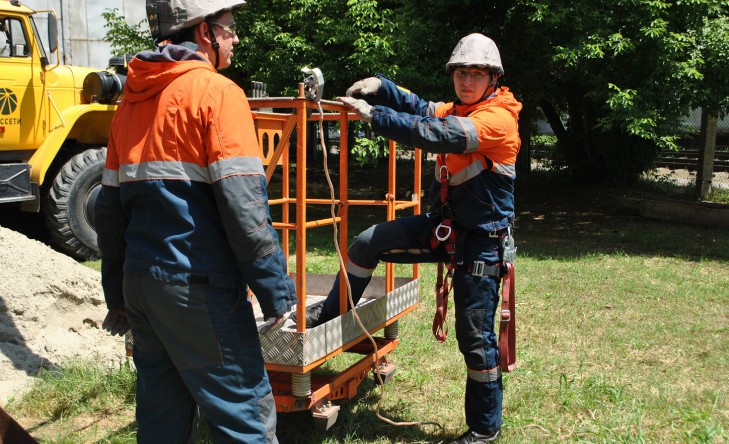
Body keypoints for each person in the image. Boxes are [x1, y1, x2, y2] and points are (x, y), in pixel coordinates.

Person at [94, 1, 296, 442]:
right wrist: (276, 294)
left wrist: (118, 296)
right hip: (196, 287)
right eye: (230, 28)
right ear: (205, 33)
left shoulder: (130, 102)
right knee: (244, 417)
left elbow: (108, 214)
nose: (235, 38)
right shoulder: (218, 93)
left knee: (161, 416)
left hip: (141, 285)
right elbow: (245, 209)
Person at [310, 33, 522, 443]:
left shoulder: (497, 120)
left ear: (493, 79)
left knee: (475, 340)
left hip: (481, 243)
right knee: (366, 242)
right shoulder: (459, 107)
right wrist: (383, 87)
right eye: (462, 72)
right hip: (444, 228)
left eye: (476, 73)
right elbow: (422, 108)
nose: (467, 79)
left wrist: (375, 116)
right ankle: (330, 319)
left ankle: (484, 430)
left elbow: (435, 133)